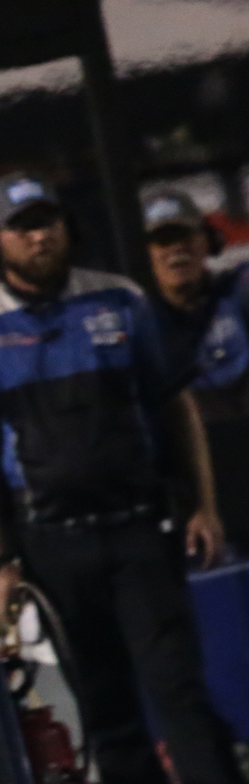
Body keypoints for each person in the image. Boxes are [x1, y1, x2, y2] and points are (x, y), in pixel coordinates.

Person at [0, 172, 249, 784]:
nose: (39, 235)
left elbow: (175, 406)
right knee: (111, 724)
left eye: (48, 220)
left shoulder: (120, 301)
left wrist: (202, 503)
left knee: (181, 699)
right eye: (22, 225)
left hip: (140, 530)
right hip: (51, 549)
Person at [143, 188, 249, 551]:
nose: (176, 249)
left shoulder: (238, 291)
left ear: (208, 241)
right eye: (162, 240)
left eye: (185, 236)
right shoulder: (137, 320)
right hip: (191, 479)